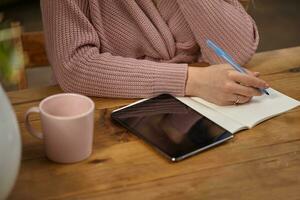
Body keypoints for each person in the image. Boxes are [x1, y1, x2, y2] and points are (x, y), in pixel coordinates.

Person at [41, 0, 269, 106]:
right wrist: (193, 81)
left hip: (202, 111)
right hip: (105, 115)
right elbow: (74, 65)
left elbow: (234, 52)